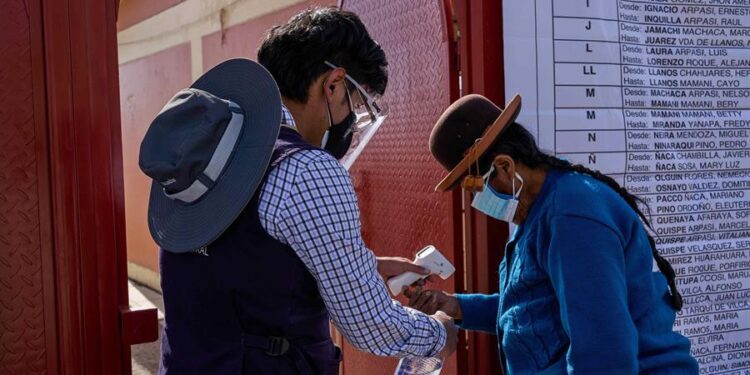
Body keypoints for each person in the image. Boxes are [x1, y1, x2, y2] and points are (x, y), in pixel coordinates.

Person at [140, 7, 456, 375]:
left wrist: (368, 266)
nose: (352, 125)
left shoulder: (203, 156)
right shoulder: (308, 170)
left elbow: (239, 262)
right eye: (355, 106)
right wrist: (439, 334)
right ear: (333, 84)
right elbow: (369, 325)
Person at [406, 94, 699, 374]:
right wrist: (457, 306)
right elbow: (534, 309)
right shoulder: (539, 211)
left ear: (505, 166)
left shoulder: (571, 217)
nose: (478, 204)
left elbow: (603, 354)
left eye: (475, 189)